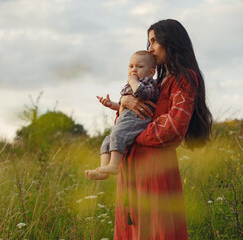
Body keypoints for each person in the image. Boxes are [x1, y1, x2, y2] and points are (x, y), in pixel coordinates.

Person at [113, 19, 213, 239]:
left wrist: (134, 135)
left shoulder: (184, 78)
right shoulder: (155, 83)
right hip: (132, 167)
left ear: (172, 42)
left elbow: (173, 129)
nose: (150, 49)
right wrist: (124, 104)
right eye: (149, 42)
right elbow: (122, 126)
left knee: (157, 231)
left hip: (155, 169)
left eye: (154, 41)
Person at [85, 50, 159, 181]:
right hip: (126, 119)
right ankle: (104, 169)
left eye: (139, 67)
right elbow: (123, 107)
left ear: (151, 72)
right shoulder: (131, 84)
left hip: (137, 120)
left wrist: (133, 81)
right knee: (108, 139)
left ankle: (114, 165)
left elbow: (142, 94)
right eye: (131, 66)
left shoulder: (148, 83)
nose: (134, 70)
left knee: (118, 135)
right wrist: (110, 104)